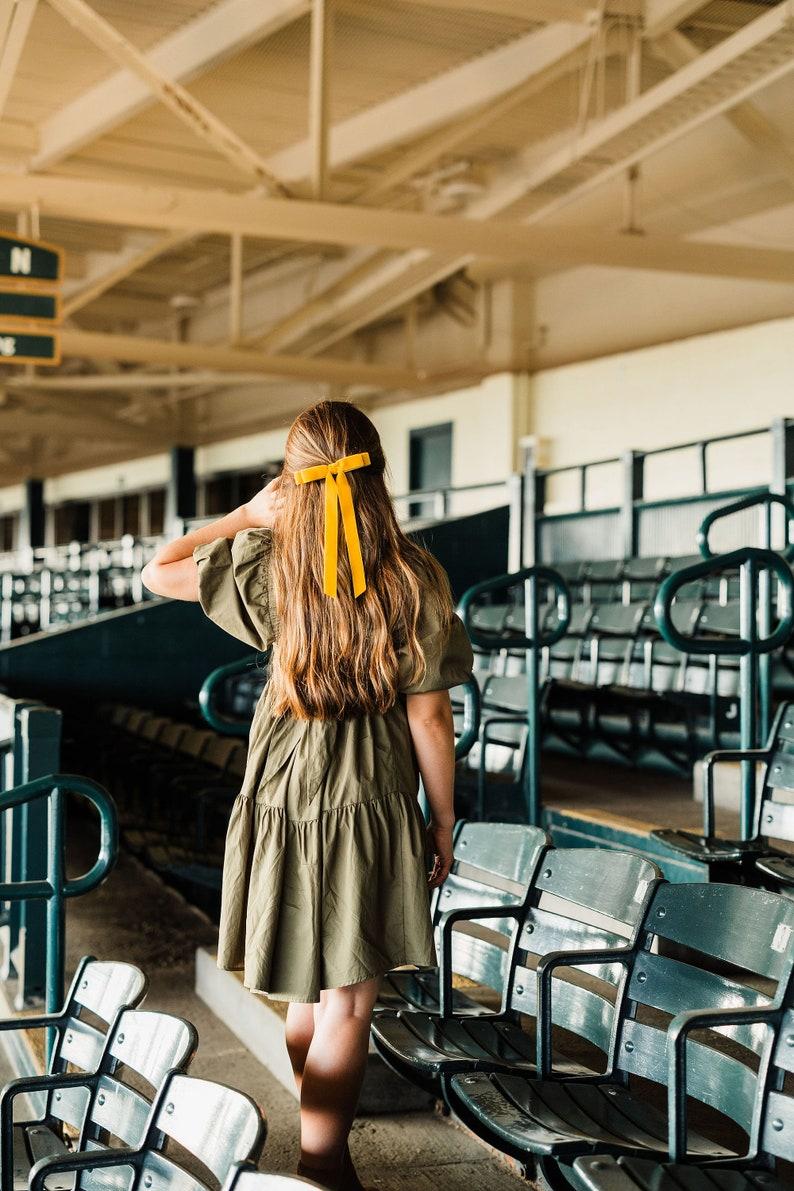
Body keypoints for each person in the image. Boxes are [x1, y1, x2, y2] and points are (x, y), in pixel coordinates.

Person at [141, 400, 473, 1190]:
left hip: (282, 783)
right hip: (369, 786)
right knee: (348, 1001)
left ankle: (320, 1142)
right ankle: (322, 1161)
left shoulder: (270, 559)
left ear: (294, 482)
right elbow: (428, 713)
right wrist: (444, 815)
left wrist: (246, 513)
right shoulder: (413, 576)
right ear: (378, 477)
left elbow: (156, 570)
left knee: (302, 977)